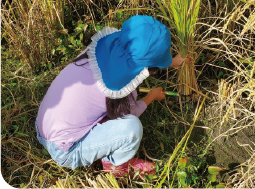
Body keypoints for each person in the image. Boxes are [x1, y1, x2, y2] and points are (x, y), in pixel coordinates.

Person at [35, 15, 184, 177]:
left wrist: (171, 62)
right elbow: (131, 115)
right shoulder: (119, 90)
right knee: (132, 128)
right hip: (65, 151)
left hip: (43, 124)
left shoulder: (95, 53)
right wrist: (152, 97)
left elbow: (137, 58)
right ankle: (116, 166)